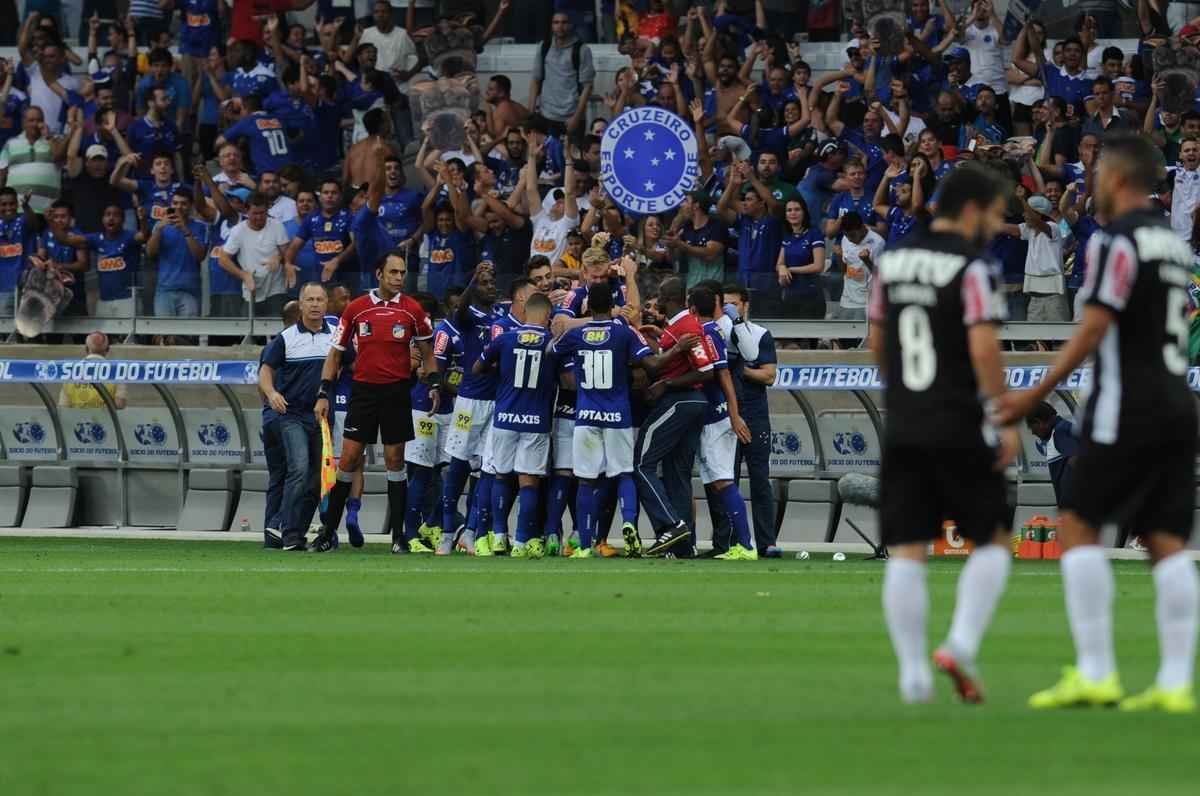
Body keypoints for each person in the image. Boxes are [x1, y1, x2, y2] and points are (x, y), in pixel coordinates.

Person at [997, 134, 1198, 714]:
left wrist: (1035, 389)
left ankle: (1096, 672)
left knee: (1079, 525)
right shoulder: (1172, 244)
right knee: (1165, 541)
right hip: (1176, 399)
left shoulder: (1116, 241)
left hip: (1125, 404)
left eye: (1098, 173)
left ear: (1118, 178)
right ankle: (1175, 683)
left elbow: (1094, 326)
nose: (1091, 183)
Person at [869, 164, 1020, 705]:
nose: (999, 224)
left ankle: (913, 676)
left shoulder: (894, 260)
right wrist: (1003, 414)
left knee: (908, 546)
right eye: (998, 213)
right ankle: (959, 643)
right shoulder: (974, 266)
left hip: (905, 421)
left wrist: (906, 395)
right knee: (995, 537)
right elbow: (983, 347)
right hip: (958, 419)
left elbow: (876, 339)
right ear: (974, 208)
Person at [315, 249, 436, 554]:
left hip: (396, 393)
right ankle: (328, 532)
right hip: (364, 393)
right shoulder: (356, 309)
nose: (399, 278)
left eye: (403, 273)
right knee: (350, 459)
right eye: (394, 272)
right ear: (379, 274)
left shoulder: (413, 310)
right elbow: (335, 354)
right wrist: (323, 391)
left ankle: (398, 537)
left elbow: (429, 353)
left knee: (395, 461)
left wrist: (434, 384)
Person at [633, 276, 718, 557]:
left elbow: (706, 371)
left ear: (668, 298)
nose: (655, 301)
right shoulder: (676, 327)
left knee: (641, 464)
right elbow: (679, 357)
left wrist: (667, 384)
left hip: (680, 401)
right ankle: (684, 547)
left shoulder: (688, 327)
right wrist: (660, 338)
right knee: (677, 474)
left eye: (658, 295)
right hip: (690, 404)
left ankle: (670, 525)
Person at [475, 290, 558, 558]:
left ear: (524, 313)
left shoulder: (506, 338)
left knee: (500, 475)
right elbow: (567, 380)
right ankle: (521, 543)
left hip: (505, 417)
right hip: (536, 420)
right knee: (528, 482)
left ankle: (499, 536)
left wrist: (501, 368)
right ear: (547, 316)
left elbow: (477, 367)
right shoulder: (552, 342)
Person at [258, 282, 334, 551]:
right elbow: (266, 370)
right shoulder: (287, 338)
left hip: (322, 416)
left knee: (316, 479)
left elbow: (354, 363)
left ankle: (295, 532)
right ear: (300, 305)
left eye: (320, 300)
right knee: (299, 469)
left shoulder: (336, 336)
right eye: (310, 300)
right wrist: (272, 393)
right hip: (291, 414)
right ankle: (287, 531)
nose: (315, 305)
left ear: (327, 304)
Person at [724, 284, 778, 555]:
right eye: (725, 304)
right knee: (726, 480)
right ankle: (730, 541)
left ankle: (767, 543)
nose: (729, 309)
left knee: (760, 480)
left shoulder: (759, 335)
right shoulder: (718, 333)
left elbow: (769, 375)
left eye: (733, 304)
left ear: (744, 305)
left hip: (754, 414)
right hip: (726, 415)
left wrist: (738, 369)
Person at [218, 191, 292, 318]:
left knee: (277, 328)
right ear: (247, 212)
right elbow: (223, 259)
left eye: (262, 213)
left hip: (276, 288)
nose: (259, 217)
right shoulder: (238, 231)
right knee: (250, 332)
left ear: (267, 211)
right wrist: (243, 275)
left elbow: (288, 254)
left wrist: (279, 258)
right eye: (255, 213)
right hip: (250, 288)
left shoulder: (276, 226)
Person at [528, 10, 595, 135]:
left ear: (570, 25)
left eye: (564, 22)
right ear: (552, 25)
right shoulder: (544, 46)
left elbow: (587, 87)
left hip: (571, 117)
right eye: (556, 22)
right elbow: (536, 80)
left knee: (572, 154)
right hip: (545, 115)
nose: (560, 26)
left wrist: (576, 117)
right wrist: (531, 113)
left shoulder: (582, 49)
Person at [145, 187, 207, 317]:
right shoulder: (160, 226)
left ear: (191, 206)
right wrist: (158, 230)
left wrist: (185, 230)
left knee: (187, 336)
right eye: (175, 203)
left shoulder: (200, 226)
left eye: (184, 203)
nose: (179, 207)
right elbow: (150, 253)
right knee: (165, 334)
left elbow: (200, 256)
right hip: (164, 289)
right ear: (170, 205)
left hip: (190, 291)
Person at [1025, 402, 1078, 508]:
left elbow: (1076, 460)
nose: (1033, 433)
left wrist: (1066, 502)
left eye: (1032, 428)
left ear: (1039, 422)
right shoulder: (1064, 428)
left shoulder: (1060, 432)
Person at [57, 331, 127, 409]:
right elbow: (120, 404)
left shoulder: (70, 372)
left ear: (86, 349)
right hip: (106, 420)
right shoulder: (116, 372)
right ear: (108, 349)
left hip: (76, 420)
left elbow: (63, 407)